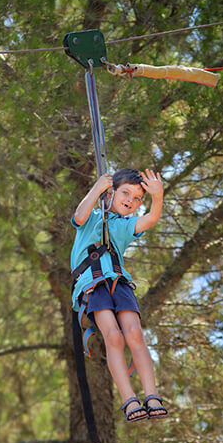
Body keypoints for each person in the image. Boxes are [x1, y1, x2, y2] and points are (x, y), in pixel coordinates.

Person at [71, 168, 168, 422]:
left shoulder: (125, 226)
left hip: (119, 283)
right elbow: (79, 217)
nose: (131, 201)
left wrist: (157, 197)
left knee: (134, 333)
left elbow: (148, 220)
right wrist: (97, 188)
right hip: (93, 284)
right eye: (125, 193)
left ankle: (152, 395)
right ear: (111, 194)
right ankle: (128, 399)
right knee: (113, 337)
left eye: (138, 198)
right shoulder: (92, 218)